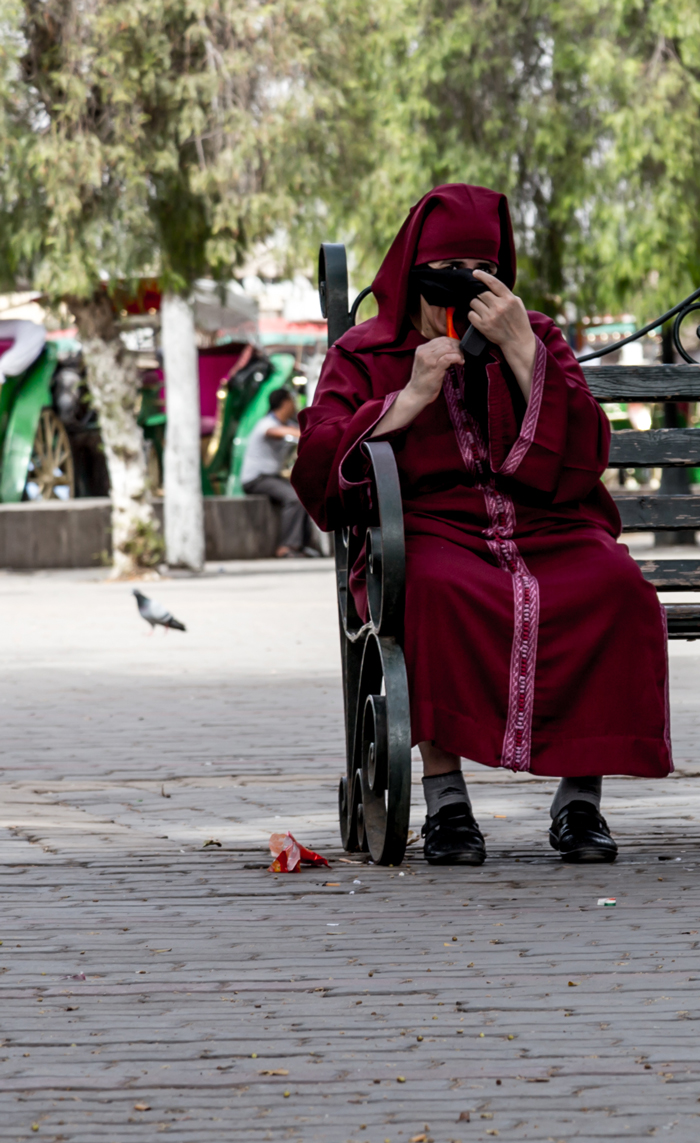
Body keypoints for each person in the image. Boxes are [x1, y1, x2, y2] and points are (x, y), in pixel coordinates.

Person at [294, 184, 672, 867]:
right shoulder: (366, 351)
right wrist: (406, 399)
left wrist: (523, 352)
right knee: (431, 591)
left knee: (616, 587)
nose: (461, 294)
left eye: (481, 275)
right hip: (433, 531)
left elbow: (587, 452)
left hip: (546, 524)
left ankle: (580, 802)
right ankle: (446, 805)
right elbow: (317, 455)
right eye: (446, 276)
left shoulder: (536, 334)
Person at [240, 388, 312, 558]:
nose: (294, 405)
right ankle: (286, 546)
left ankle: (300, 546)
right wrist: (304, 434)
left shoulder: (288, 424)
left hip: (271, 477)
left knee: (306, 495)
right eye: (292, 400)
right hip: (256, 479)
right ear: (285, 403)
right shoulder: (267, 423)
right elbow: (276, 432)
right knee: (294, 499)